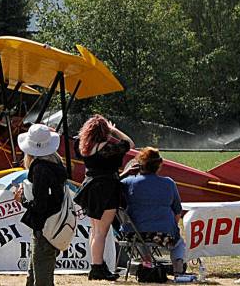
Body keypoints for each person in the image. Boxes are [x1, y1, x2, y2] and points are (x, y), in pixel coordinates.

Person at [74, 115, 133, 281]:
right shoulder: (108, 148)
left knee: (95, 231)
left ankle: (97, 265)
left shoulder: (84, 148)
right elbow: (129, 143)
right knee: (101, 232)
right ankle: (97, 268)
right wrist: (114, 130)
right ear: (104, 131)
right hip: (106, 189)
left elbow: (80, 138)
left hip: (90, 187)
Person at [14, 124, 67, 286]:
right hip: (55, 225)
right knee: (35, 272)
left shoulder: (40, 169)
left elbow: (40, 205)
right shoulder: (56, 165)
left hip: (44, 227)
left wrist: (22, 199)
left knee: (41, 277)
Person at [121, 148, 188, 276]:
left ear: (139, 165)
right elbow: (177, 211)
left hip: (133, 234)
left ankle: (147, 262)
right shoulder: (169, 183)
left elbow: (111, 185)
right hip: (163, 234)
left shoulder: (127, 182)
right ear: (160, 164)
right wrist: (171, 228)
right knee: (179, 243)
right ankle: (178, 268)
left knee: (140, 236)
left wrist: (126, 173)